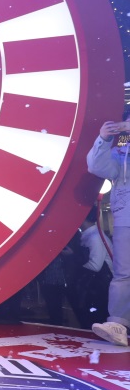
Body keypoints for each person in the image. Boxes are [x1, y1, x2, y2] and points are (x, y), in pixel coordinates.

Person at [85, 112, 130, 346]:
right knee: (123, 273)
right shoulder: (121, 154)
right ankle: (118, 325)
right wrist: (104, 138)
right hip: (125, 219)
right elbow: (96, 166)